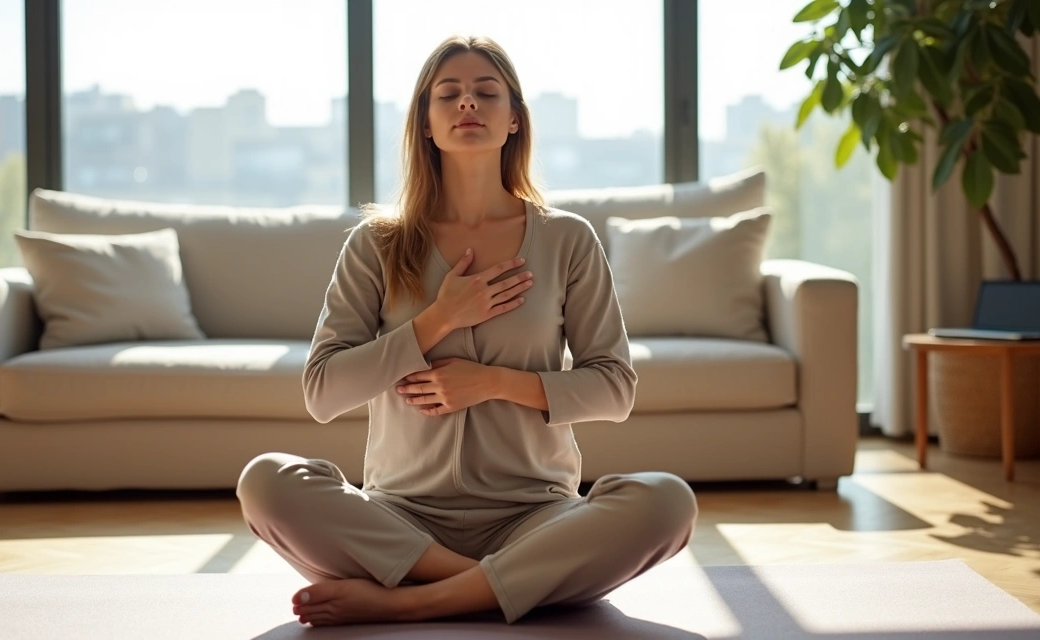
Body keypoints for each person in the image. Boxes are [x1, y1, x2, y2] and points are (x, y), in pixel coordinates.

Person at [236, 35, 697, 627]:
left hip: (535, 516)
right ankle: (506, 584)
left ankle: (415, 599)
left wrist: (492, 382)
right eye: (448, 93)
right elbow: (322, 393)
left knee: (667, 501)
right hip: (401, 518)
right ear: (426, 123)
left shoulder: (567, 239)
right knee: (266, 482)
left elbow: (614, 389)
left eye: (486, 92)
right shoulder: (376, 244)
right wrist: (438, 319)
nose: (468, 103)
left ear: (514, 119)